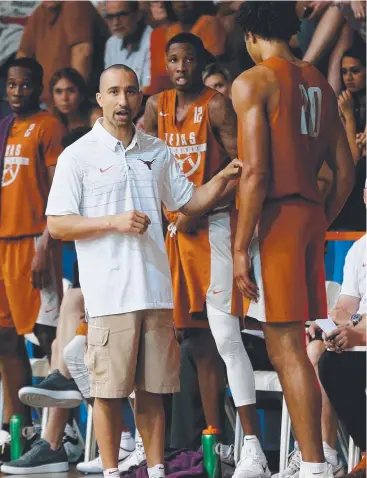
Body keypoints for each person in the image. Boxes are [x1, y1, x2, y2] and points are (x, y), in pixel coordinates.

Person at [45, 63, 242, 478]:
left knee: (153, 392)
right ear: (99, 100)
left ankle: (154, 471)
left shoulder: (157, 150)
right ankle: (114, 472)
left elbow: (189, 201)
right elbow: (57, 223)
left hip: (155, 291)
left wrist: (224, 178)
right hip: (109, 295)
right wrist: (112, 222)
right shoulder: (76, 155)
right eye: (113, 92)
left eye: (130, 92)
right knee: (109, 393)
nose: (122, 100)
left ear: (140, 99)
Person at [232, 3, 355, 478]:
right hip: (307, 216)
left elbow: (257, 172)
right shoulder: (319, 83)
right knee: (291, 344)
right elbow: (344, 171)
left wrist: (241, 245)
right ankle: (311, 461)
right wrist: (318, 217)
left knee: (285, 348)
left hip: (277, 216)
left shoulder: (254, 81)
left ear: (250, 36)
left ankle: (313, 464)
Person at [144, 33, 270, 478]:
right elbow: (143, 167)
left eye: (189, 59)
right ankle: (214, 438)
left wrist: (204, 205)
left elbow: (246, 167)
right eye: (173, 59)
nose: (181, 67)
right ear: (165, 62)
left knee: (224, 335)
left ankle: (253, 444)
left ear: (200, 62)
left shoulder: (216, 104)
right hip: (174, 232)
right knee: (190, 340)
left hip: (214, 226)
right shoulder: (155, 106)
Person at [0, 57, 65, 462]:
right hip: (2, 241)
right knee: (4, 338)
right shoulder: (4, 126)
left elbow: (58, 192)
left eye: (25, 85)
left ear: (38, 87)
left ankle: (65, 431)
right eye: (11, 85)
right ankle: (18, 430)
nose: (17, 91)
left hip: (33, 243)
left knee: (46, 335)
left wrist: (45, 243)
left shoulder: (48, 126)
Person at [16, 1, 109, 107]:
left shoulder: (75, 4)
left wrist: (72, 98)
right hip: (46, 103)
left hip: (74, 106)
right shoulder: (39, 12)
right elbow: (23, 55)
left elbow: (82, 51)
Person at [104, 1, 152, 89]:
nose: (115, 23)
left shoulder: (153, 40)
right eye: (110, 17)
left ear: (137, 15)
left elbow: (148, 90)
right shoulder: (111, 43)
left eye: (122, 15)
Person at [50, 68, 92, 132]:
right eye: (58, 92)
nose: (64, 98)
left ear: (81, 94)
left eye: (71, 91)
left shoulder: (95, 119)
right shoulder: (51, 122)